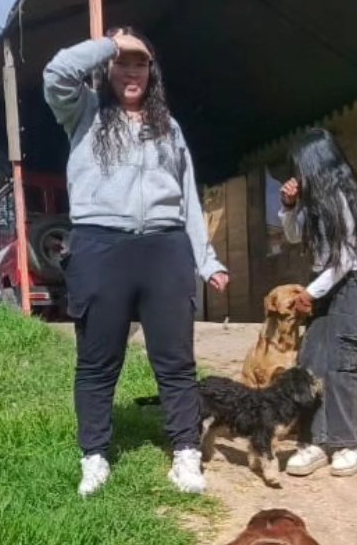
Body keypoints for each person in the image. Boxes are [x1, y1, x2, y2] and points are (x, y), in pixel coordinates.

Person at [43, 27, 229, 498]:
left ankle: (186, 453)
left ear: (152, 72)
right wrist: (113, 42)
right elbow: (56, 72)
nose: (131, 71)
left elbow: (187, 196)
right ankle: (95, 457)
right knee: (98, 362)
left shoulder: (169, 126)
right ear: (107, 68)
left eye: (140, 63)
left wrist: (206, 259)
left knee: (177, 362)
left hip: (165, 248)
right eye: (122, 62)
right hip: (100, 246)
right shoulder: (84, 111)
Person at [276, 128, 357, 477]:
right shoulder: (314, 201)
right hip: (324, 283)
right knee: (311, 361)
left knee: (341, 363)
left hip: (351, 285)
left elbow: (345, 261)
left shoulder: (346, 200)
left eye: (301, 167)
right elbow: (292, 236)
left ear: (316, 165)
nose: (297, 175)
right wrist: (289, 207)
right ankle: (314, 441)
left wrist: (309, 293)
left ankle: (347, 443)